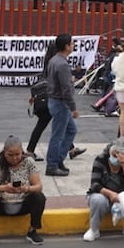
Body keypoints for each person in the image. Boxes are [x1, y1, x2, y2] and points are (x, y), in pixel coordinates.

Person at [0, 135, 45, 246]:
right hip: (2, 204)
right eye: (10, 155)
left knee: (39, 196)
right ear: (4, 153)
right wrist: (4, 188)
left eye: (17, 155)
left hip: (23, 203)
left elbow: (38, 186)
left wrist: (26, 189)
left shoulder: (29, 162)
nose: (14, 158)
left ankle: (32, 230)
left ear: (22, 152)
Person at [83, 138, 124, 242]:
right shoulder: (101, 159)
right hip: (103, 195)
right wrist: (110, 194)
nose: (117, 157)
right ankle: (94, 229)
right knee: (98, 199)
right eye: (115, 154)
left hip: (122, 197)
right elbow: (94, 184)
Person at [45, 33, 79, 176]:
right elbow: (65, 89)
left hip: (54, 100)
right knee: (58, 135)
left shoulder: (54, 60)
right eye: (71, 43)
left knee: (71, 130)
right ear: (66, 46)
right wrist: (73, 108)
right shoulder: (62, 64)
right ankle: (52, 164)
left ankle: (59, 159)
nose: (73, 46)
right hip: (60, 103)